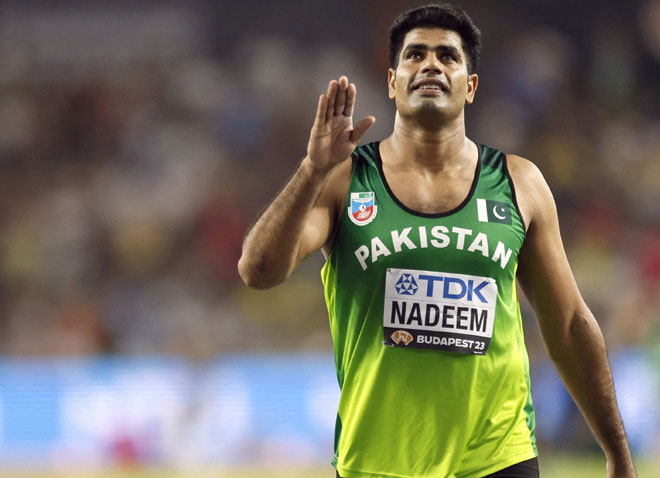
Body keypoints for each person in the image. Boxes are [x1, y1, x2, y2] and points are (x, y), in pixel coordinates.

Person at [238, 3, 636, 477]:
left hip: (497, 458)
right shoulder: (345, 181)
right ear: (392, 81)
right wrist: (310, 171)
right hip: (378, 463)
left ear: (470, 87)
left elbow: (569, 324)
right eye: (415, 55)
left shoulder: (519, 183)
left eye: (448, 56)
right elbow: (257, 271)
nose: (430, 64)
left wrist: (618, 453)